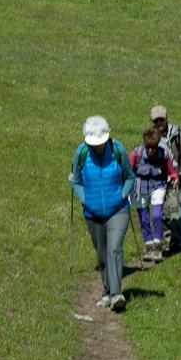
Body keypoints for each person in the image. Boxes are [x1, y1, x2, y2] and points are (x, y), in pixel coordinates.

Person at [70, 116, 133, 312]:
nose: (97, 147)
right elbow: (76, 181)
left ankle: (116, 294)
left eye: (100, 143)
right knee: (102, 253)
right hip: (92, 213)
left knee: (114, 248)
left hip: (118, 209)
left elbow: (130, 177)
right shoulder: (81, 154)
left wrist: (123, 194)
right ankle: (107, 291)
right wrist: (85, 199)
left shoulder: (117, 150)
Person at [130, 126, 176, 262]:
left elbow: (171, 170)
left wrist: (174, 178)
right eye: (147, 147)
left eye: (153, 148)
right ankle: (148, 244)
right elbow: (128, 171)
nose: (150, 151)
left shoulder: (164, 154)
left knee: (156, 215)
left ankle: (157, 245)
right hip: (140, 186)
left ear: (157, 145)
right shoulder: (136, 154)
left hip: (158, 185)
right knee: (143, 217)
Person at [150, 105, 181, 252]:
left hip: (175, 177)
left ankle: (177, 239)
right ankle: (166, 238)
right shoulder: (151, 135)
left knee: (174, 209)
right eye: (156, 121)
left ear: (167, 118)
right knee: (162, 210)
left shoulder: (176, 132)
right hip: (158, 178)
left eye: (161, 120)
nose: (159, 123)